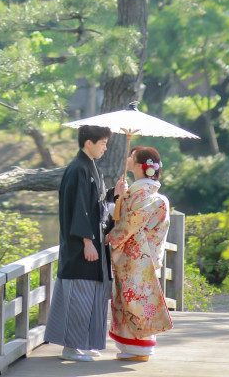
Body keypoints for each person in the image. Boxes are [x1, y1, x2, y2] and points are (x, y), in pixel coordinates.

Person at [45, 125, 128, 361]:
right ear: (88, 142)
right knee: (79, 296)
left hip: (94, 243)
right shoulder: (78, 169)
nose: (105, 147)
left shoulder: (90, 167)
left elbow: (96, 203)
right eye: (102, 143)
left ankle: (85, 343)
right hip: (82, 247)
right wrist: (86, 241)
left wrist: (113, 193)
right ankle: (71, 346)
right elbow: (79, 210)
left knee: (93, 295)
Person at [105, 145, 172, 362]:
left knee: (136, 301)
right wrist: (120, 196)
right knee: (136, 300)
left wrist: (112, 236)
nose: (128, 159)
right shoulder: (144, 193)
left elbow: (132, 223)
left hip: (136, 257)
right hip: (142, 255)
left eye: (132, 157)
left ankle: (138, 348)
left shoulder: (144, 194)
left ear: (141, 166)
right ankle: (134, 348)